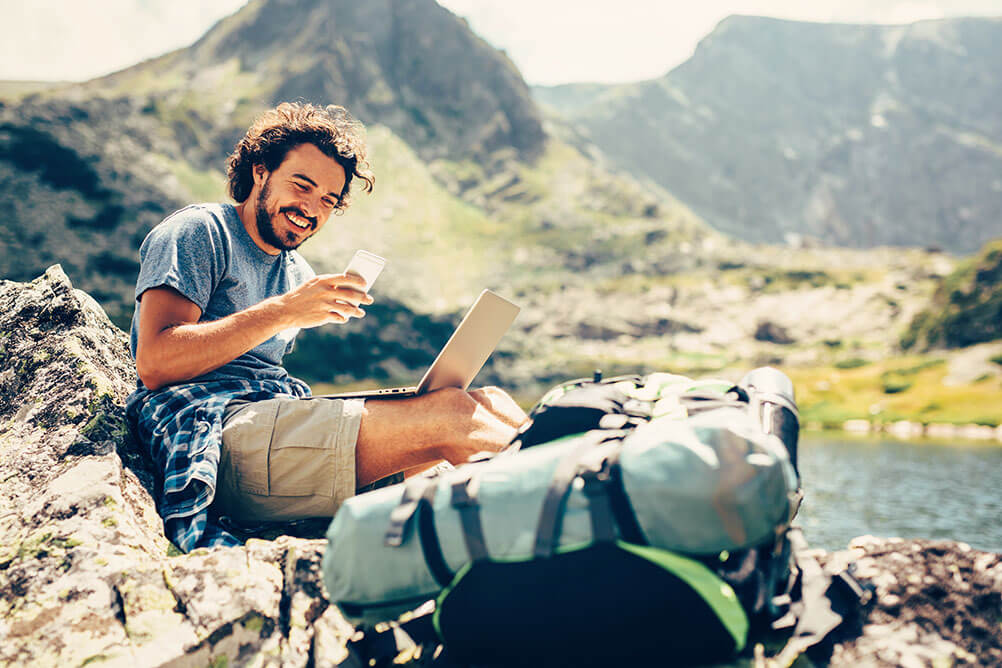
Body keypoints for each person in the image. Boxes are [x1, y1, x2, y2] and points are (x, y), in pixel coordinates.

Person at [125, 102, 527, 552]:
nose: (311, 209)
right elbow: (156, 363)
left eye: (328, 201)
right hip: (209, 432)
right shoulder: (200, 230)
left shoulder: (296, 271)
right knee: (450, 417)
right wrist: (285, 311)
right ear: (261, 172)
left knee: (484, 403)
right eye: (302, 185)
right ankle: (581, 491)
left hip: (271, 424)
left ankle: (582, 469)